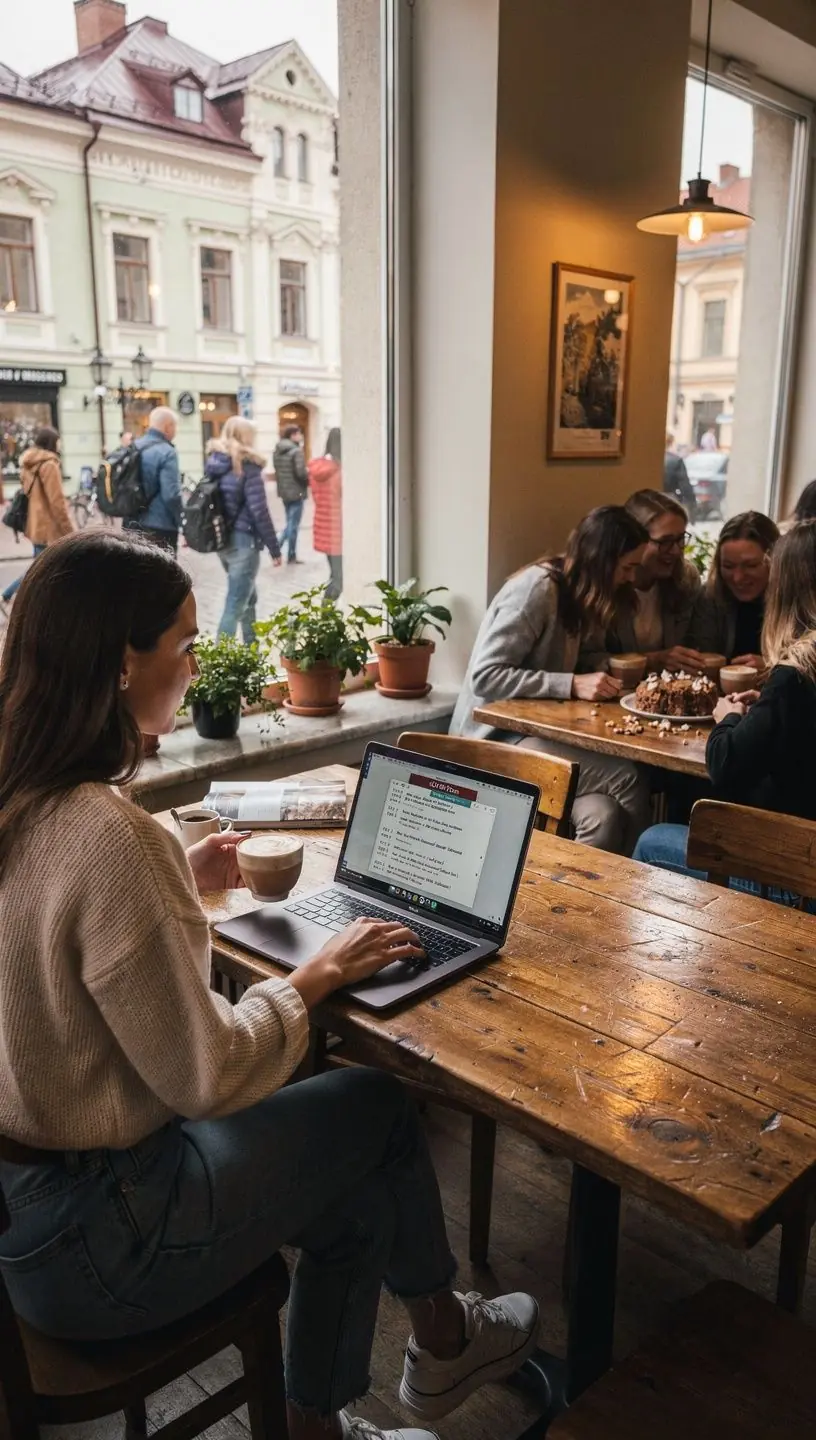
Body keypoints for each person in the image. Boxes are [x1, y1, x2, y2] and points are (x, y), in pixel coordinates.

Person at [0, 531, 540, 1440]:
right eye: (184, 642)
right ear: (121, 666)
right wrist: (317, 974)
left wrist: (177, 872)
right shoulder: (111, 839)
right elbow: (207, 1078)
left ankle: (331, 1416)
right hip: (113, 1240)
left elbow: (56, 934)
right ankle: (445, 1345)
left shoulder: (23, 796)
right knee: (372, 1103)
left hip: (30, 1226)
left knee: (353, 1184)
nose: (199, 660)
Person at [451, 506, 651, 853]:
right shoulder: (537, 590)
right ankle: (634, 885)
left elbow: (568, 660)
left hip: (534, 734)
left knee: (603, 816)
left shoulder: (577, 593)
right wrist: (571, 684)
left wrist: (606, 666)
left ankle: (579, 901)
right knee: (628, 778)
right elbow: (486, 676)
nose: (631, 578)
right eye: (627, 568)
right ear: (602, 562)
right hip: (492, 741)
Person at [633, 522, 816, 893]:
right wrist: (765, 709)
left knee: (652, 841)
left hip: (796, 878)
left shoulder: (795, 674)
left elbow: (724, 763)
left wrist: (727, 717)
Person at [206, 417, 283, 642]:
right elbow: (259, 511)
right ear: (247, 436)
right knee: (235, 604)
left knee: (248, 597)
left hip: (223, 543)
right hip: (244, 543)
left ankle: (252, 650)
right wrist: (275, 549)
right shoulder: (248, 465)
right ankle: (218, 662)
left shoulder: (215, 463)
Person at [609, 490, 704, 672]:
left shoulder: (687, 579)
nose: (676, 551)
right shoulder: (611, 582)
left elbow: (697, 643)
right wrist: (650, 660)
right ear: (635, 541)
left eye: (680, 539)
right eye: (665, 541)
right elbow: (587, 659)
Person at [689, 511, 779, 671]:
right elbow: (703, 654)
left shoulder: (797, 601)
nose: (737, 578)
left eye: (751, 565)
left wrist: (774, 669)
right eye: (728, 566)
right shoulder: (710, 597)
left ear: (776, 561)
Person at [0, 426, 72, 610]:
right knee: (40, 570)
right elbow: (57, 503)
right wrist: (70, 531)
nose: (60, 444)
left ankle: (46, 603)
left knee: (42, 568)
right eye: (58, 440)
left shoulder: (29, 463)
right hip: (49, 526)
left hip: (35, 523)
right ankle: (8, 595)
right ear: (51, 442)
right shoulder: (49, 464)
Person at [123, 406, 182, 554]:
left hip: (131, 523)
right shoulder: (167, 452)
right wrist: (181, 520)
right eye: (175, 426)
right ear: (168, 427)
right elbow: (171, 495)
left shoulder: (133, 447)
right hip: (160, 526)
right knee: (163, 574)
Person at [309, 426, 343, 600]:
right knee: (339, 580)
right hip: (337, 530)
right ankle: (325, 618)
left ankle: (326, 617)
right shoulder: (338, 471)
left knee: (336, 576)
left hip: (325, 528)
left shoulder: (319, 468)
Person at [274, 424, 309, 565]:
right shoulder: (296, 451)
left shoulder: (277, 451)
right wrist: (308, 476)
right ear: (293, 435)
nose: (301, 436)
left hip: (284, 492)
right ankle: (285, 552)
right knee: (292, 525)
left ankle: (283, 551)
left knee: (290, 522)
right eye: (299, 433)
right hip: (296, 491)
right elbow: (301, 473)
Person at [663, 432, 696, 518]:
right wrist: (691, 504)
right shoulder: (675, 460)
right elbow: (685, 485)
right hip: (668, 500)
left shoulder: (646, 459)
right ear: (670, 443)